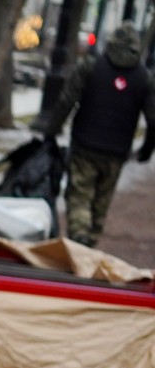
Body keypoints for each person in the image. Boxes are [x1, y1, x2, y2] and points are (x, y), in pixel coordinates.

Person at [37, 23, 155, 247]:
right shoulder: (144, 78)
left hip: (85, 144)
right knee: (102, 201)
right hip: (117, 150)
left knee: (79, 195)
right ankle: (91, 240)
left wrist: (51, 131)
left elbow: (66, 101)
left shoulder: (91, 67)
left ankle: (79, 236)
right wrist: (147, 149)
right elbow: (153, 118)